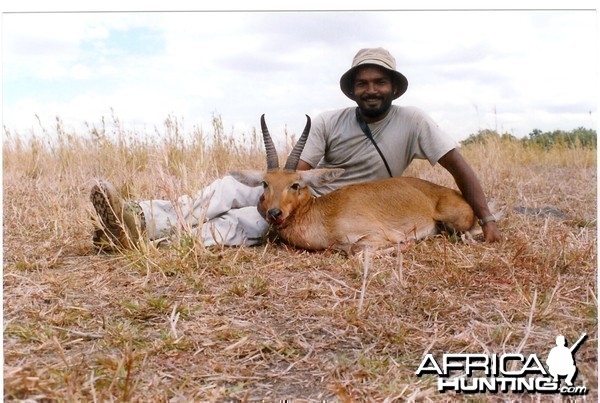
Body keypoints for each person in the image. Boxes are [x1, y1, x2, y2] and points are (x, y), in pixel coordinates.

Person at [91, 47, 501, 251]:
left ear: (393, 86)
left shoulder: (415, 121)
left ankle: (153, 244)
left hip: (365, 206)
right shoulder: (327, 121)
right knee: (234, 192)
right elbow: (294, 174)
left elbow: (459, 169)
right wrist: (275, 198)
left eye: (379, 82)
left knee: (245, 227)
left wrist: (488, 220)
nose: (371, 89)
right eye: (363, 83)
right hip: (311, 197)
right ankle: (140, 219)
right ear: (353, 89)